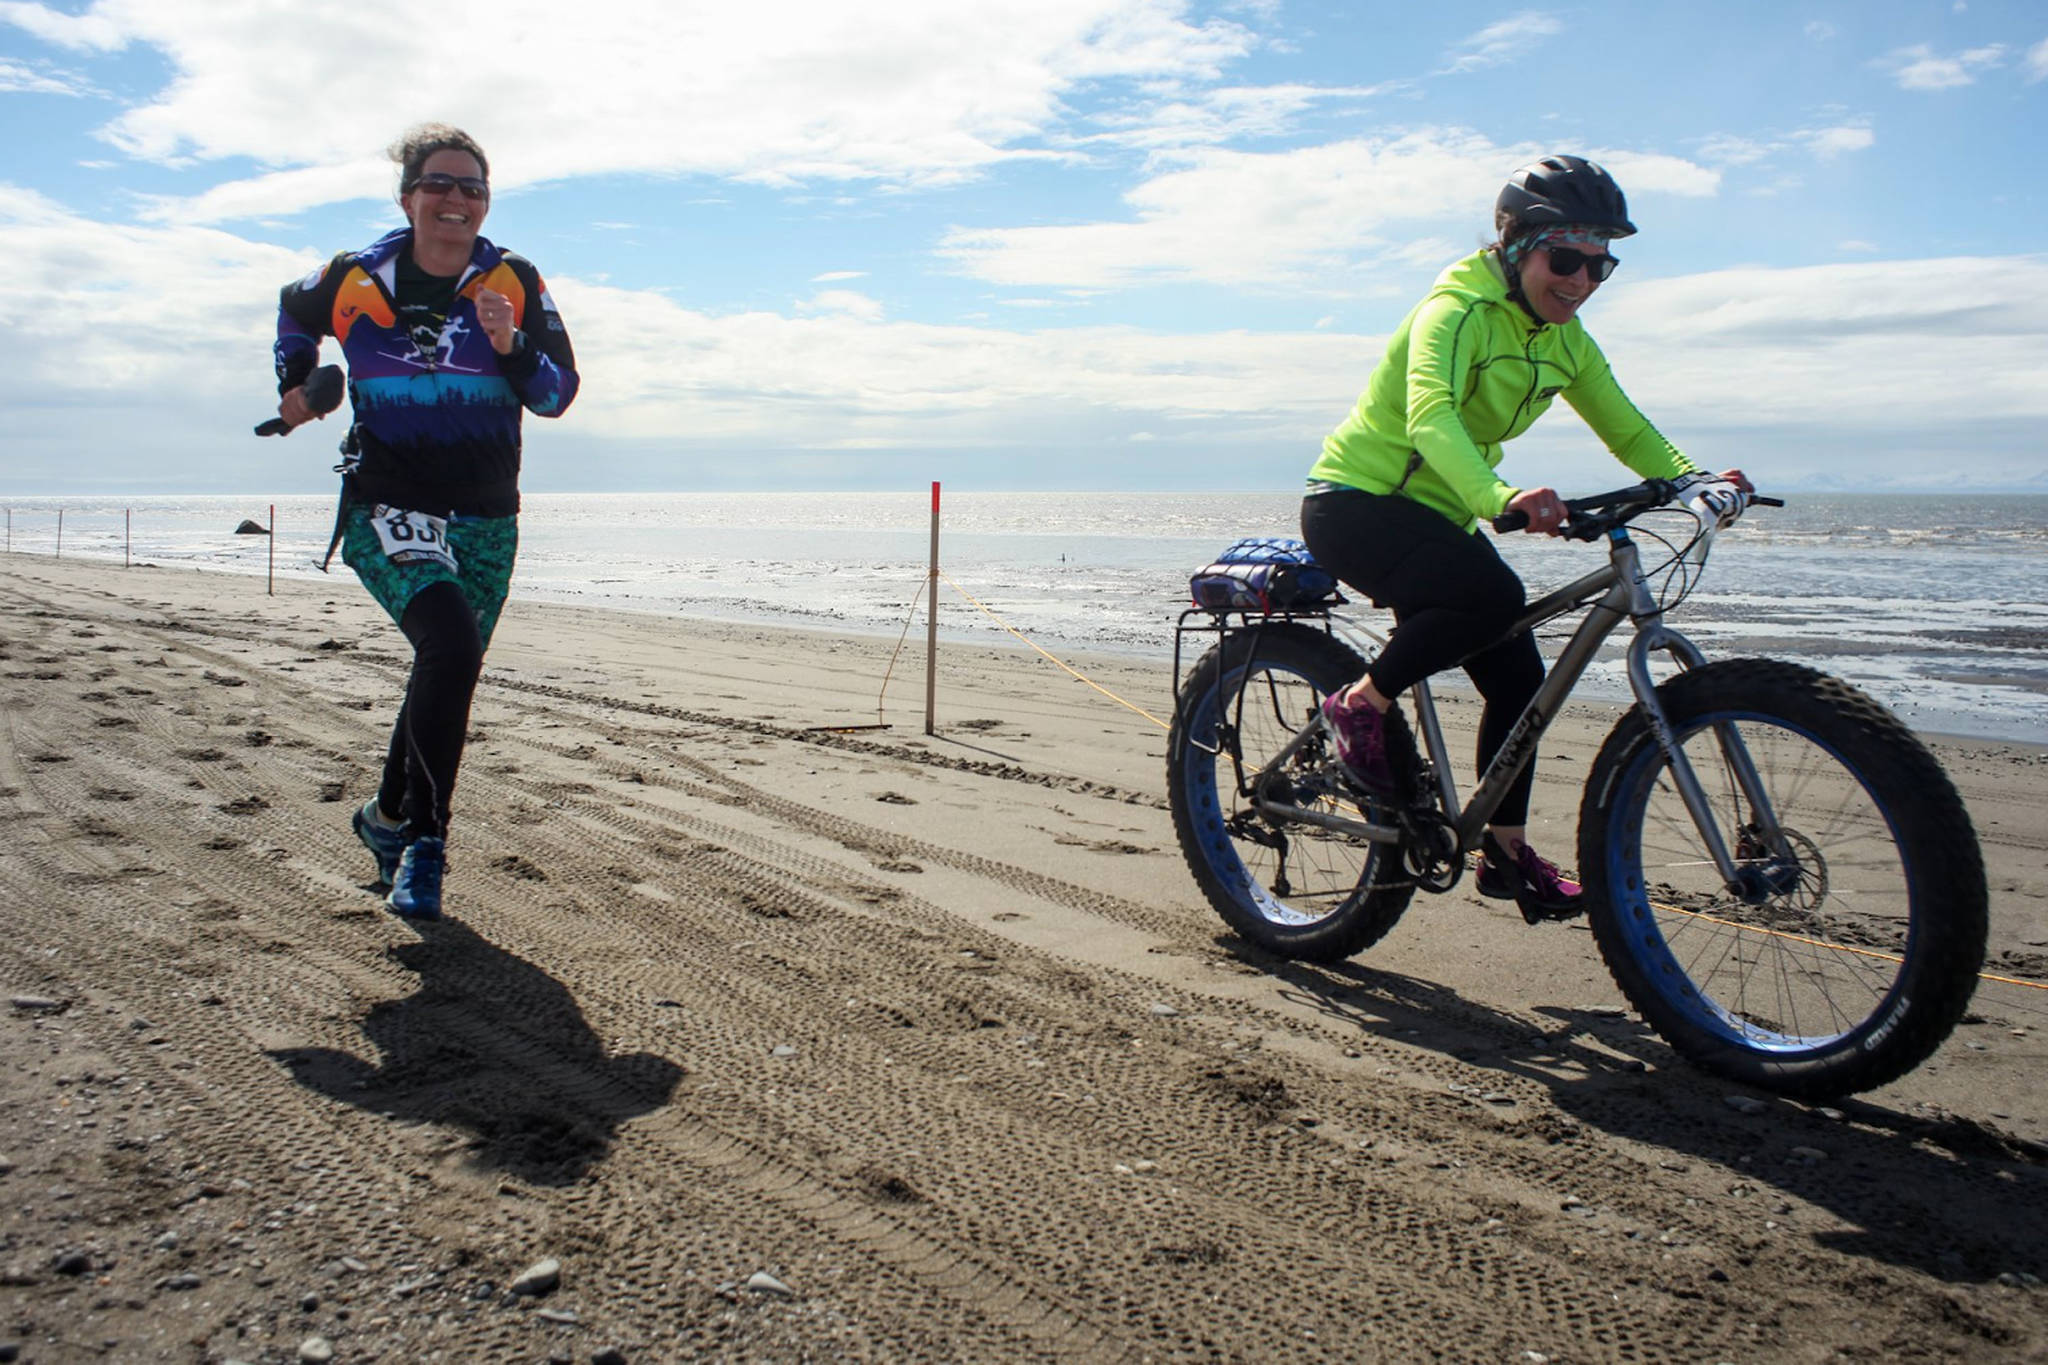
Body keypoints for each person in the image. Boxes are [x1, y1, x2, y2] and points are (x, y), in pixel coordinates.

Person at [1299, 154, 1747, 923]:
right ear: (1515, 244)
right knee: (1491, 595)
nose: (1580, 279)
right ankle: (1360, 705)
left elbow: (1627, 426)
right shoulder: (1458, 310)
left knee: (1516, 675)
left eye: (1600, 266)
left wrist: (1695, 480)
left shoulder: (1564, 339)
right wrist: (1499, 497)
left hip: (1436, 515)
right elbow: (1429, 416)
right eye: (1564, 258)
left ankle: (1503, 855)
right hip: (1354, 502)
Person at [271, 123, 579, 920]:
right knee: (450, 645)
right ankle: (426, 845)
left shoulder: (513, 279)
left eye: (472, 187)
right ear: (408, 197)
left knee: (448, 663)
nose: (455, 199)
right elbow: (293, 312)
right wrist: (301, 382)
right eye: (439, 184)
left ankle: (383, 819)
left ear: (485, 204)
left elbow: (554, 395)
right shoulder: (351, 277)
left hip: (485, 514)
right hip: (389, 503)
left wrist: (510, 344)